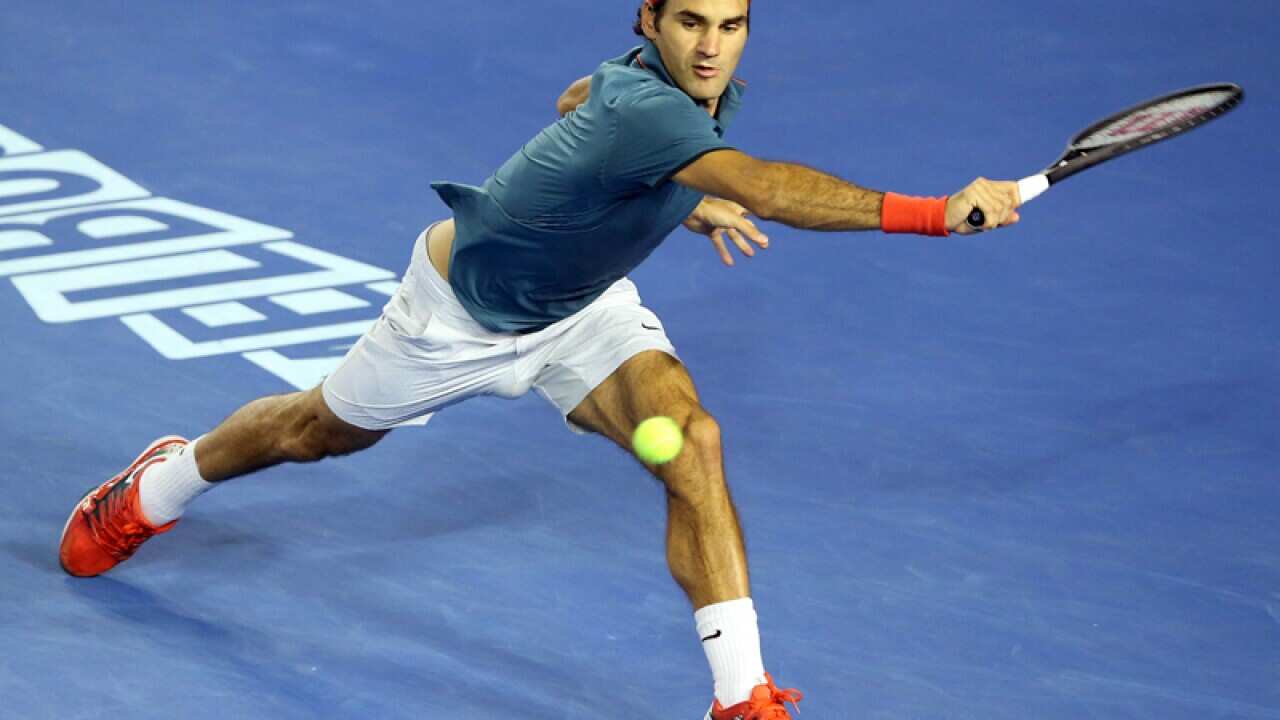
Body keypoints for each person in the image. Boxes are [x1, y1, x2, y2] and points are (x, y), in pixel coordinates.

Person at [58, 0, 1021, 717]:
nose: (711, 45)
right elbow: (765, 185)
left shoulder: (654, 92)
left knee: (692, 439)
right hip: (453, 318)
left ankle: (742, 697)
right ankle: (158, 486)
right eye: (690, 22)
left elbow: (580, 98)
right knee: (313, 433)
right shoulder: (651, 104)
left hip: (582, 313)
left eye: (731, 25)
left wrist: (678, 192)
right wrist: (935, 213)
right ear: (650, 20)